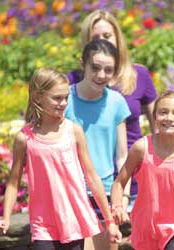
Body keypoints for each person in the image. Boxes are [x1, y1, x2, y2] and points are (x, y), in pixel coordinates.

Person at [0, 67, 122, 249]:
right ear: (37, 97)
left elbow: (92, 177)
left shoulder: (73, 131)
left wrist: (109, 222)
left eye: (66, 97)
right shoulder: (24, 138)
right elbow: (13, 182)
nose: (63, 103)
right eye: (57, 98)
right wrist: (6, 217)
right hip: (43, 224)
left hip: (73, 221)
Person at [68, 10, 158, 232]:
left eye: (107, 36)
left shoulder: (138, 76)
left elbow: (158, 125)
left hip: (128, 175)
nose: (101, 74)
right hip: (86, 181)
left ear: (117, 37)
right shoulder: (73, 84)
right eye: (95, 37)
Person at [111, 90, 174, 250]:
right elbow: (119, 183)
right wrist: (117, 207)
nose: (169, 118)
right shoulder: (141, 148)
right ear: (155, 116)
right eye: (163, 112)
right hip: (145, 228)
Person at [64, 39, 130, 250]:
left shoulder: (116, 102)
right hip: (72, 192)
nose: (101, 75)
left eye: (108, 70)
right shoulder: (64, 100)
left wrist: (123, 196)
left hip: (106, 193)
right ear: (82, 63)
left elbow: (122, 156)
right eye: (95, 67)